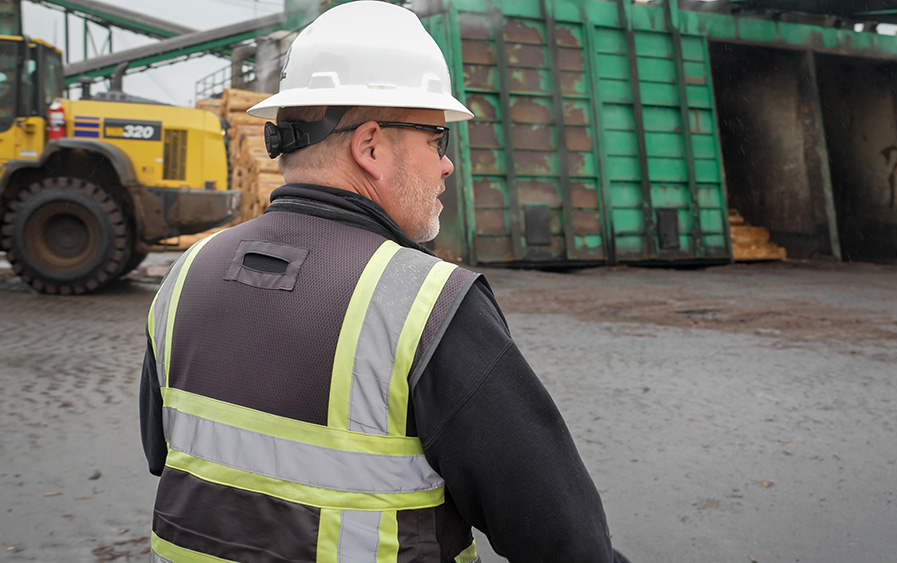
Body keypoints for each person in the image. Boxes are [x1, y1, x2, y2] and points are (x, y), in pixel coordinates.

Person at [139, 2, 630, 561]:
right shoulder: (425, 305)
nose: (446, 165)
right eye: (437, 141)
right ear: (370, 145)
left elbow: (170, 457)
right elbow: (565, 540)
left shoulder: (184, 276)